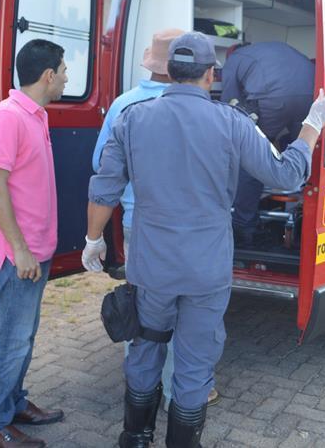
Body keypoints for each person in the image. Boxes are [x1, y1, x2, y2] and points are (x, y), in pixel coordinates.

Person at [83, 32, 325, 447]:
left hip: (151, 269)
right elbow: (286, 175)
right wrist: (313, 123)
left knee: (146, 347)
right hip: (206, 271)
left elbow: (104, 189)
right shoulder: (233, 123)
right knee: (194, 361)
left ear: (169, 71)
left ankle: (134, 438)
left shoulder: (133, 118)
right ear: (210, 75)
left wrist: (93, 239)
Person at [91, 28, 219, 411]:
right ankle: (180, 391)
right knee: (189, 310)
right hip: (193, 228)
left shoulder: (125, 106)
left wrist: (93, 235)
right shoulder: (202, 110)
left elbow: (102, 166)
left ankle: (141, 384)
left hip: (140, 225)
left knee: (145, 308)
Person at [0, 39, 68, 448]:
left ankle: (14, 404)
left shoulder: (35, 116)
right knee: (10, 340)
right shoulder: (6, 117)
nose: (66, 78)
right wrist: (21, 248)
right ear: (48, 75)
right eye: (63, 71)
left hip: (32, 253)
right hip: (14, 255)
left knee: (22, 336)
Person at [220, 41, 315, 251]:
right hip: (311, 93)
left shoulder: (234, 60)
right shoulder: (271, 49)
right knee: (301, 146)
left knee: (252, 157)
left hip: (275, 96)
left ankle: (244, 225)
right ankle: (306, 210)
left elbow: (229, 107)